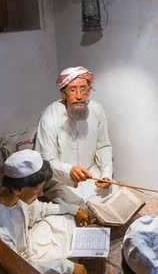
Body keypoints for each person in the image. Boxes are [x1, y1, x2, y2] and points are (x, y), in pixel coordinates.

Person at [0, 149, 89, 274]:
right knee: (63, 266)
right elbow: (16, 269)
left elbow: (41, 209)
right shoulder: (0, 227)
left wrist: (74, 210)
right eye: (38, 189)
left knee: (66, 218)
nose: (42, 193)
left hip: (26, 250)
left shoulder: (14, 196)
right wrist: (67, 268)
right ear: (19, 188)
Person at [35, 66, 114, 206]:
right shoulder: (49, 116)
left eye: (83, 89)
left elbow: (103, 146)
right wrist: (69, 171)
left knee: (115, 193)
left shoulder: (97, 110)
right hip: (60, 179)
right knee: (82, 204)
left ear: (89, 91)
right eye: (72, 90)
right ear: (63, 94)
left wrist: (106, 174)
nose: (79, 95)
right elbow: (45, 161)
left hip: (91, 172)